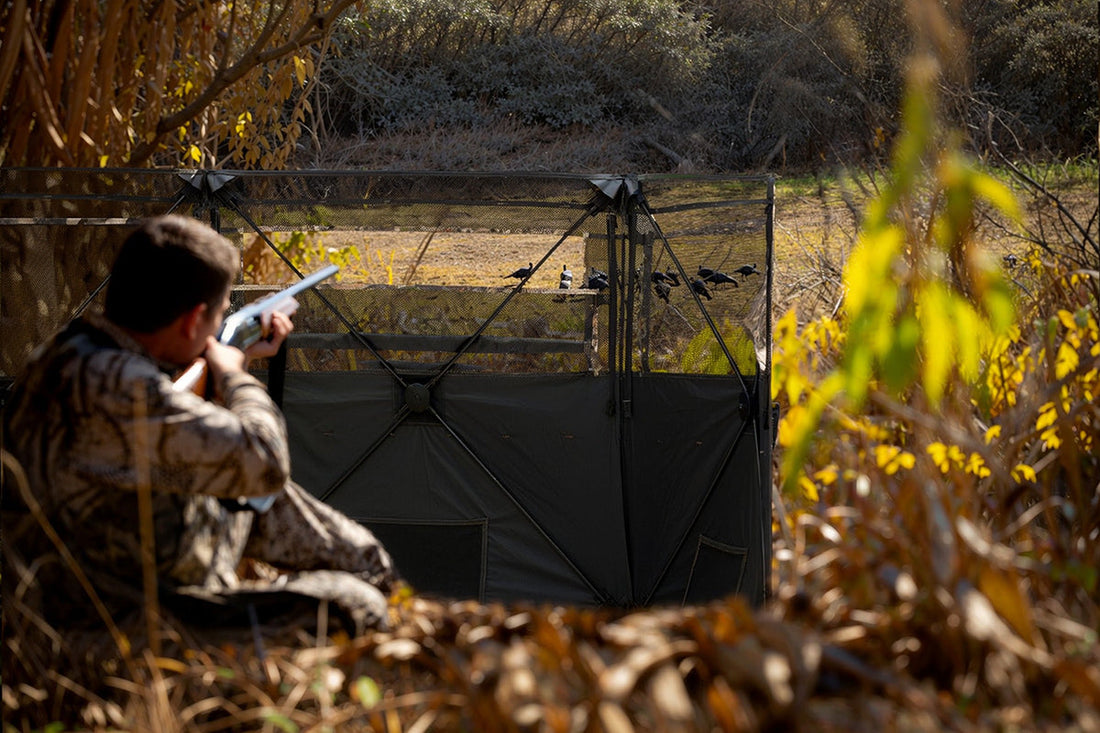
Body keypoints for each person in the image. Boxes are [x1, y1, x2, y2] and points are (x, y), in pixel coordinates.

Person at [2, 214, 399, 634]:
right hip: (111, 624)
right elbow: (264, 462)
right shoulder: (125, 389)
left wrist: (234, 356)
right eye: (219, 316)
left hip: (96, 582)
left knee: (363, 558)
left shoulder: (65, 355)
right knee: (361, 605)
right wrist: (234, 375)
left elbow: (177, 434)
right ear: (192, 321)